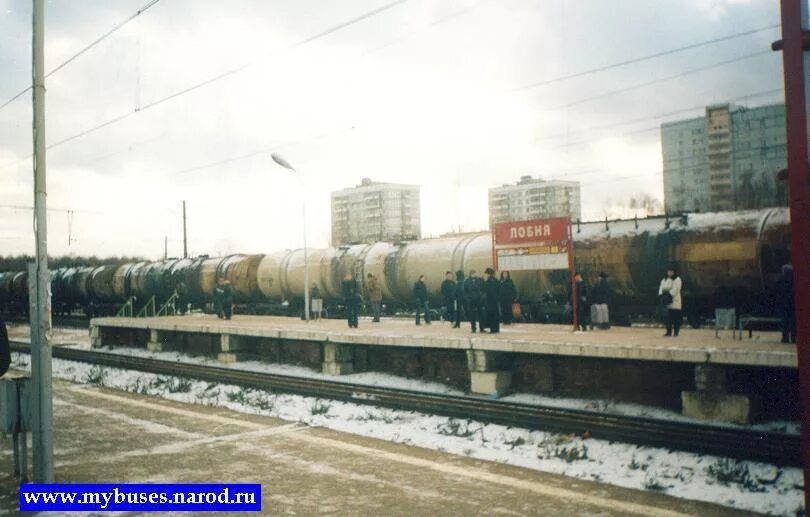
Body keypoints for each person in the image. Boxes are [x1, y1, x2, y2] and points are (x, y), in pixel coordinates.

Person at [773, 264, 796, 344]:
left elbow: (775, 292)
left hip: (783, 304)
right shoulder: (795, 280)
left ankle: (785, 338)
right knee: (793, 322)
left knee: (784, 322)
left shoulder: (779, 280)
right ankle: (793, 338)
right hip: (793, 304)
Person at [659, 266, 683, 337]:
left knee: (676, 318)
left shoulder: (677, 279)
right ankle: (668, 332)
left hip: (675, 301)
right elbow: (661, 287)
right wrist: (661, 294)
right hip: (666, 301)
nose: (670, 273)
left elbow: (676, 289)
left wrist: (669, 294)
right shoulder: (664, 279)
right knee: (668, 318)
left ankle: (676, 332)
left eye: (671, 271)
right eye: (669, 271)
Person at [483, 267, 500, 334]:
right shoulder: (496, 280)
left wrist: (484, 281)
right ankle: (496, 329)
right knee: (495, 314)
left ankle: (492, 329)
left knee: (491, 315)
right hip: (495, 301)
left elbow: (486, 289)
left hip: (490, 301)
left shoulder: (489, 281)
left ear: (489, 274)